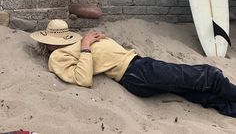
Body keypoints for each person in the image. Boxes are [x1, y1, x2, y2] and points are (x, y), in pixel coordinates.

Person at [30, 19, 236, 118]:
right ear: (49, 44)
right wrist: (85, 46)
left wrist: (101, 41)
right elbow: (82, 78)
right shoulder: (58, 56)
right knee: (210, 76)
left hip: (140, 66)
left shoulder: (70, 45)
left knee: (197, 92)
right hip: (135, 73)